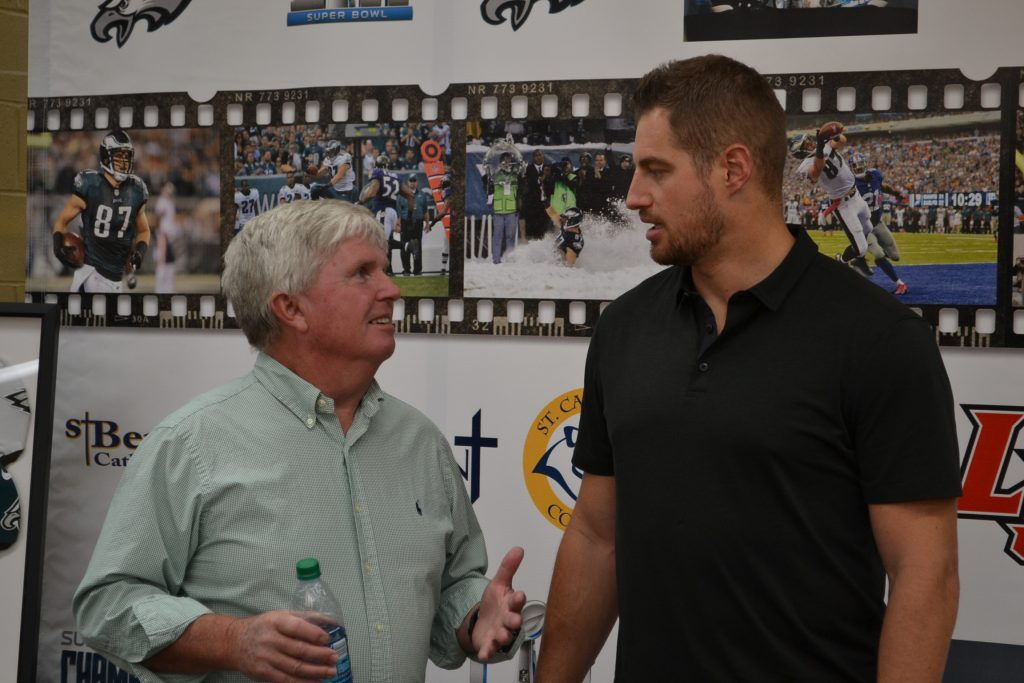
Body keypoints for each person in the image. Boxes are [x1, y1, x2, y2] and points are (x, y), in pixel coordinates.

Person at [536, 55, 961, 682]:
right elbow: (598, 538)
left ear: (733, 168)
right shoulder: (624, 329)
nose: (633, 196)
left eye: (656, 170)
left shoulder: (878, 339)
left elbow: (927, 576)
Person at [74, 200, 527, 682]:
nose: (392, 290)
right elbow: (108, 604)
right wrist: (233, 641)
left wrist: (477, 617)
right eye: (361, 273)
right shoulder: (192, 444)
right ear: (290, 308)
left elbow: (456, 587)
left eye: (385, 271)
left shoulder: (420, 441)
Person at [51, 130, 151, 293]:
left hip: (116, 278)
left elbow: (144, 230)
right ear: (106, 157)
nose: (124, 162)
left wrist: (140, 251)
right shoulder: (90, 185)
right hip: (91, 272)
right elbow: (61, 222)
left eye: (127, 157)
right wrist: (57, 246)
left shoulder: (136, 189)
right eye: (119, 157)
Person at [790, 123, 874, 278]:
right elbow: (816, 172)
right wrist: (821, 147)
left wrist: (833, 134)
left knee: (868, 227)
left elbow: (842, 140)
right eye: (806, 143)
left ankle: (857, 259)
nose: (810, 143)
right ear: (801, 151)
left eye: (809, 140)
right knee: (861, 249)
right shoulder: (803, 166)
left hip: (856, 196)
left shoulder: (826, 145)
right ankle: (841, 260)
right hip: (843, 204)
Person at [850, 152, 908, 295]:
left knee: (895, 256)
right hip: (863, 226)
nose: (858, 169)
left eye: (860, 165)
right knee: (878, 254)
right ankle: (899, 283)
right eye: (855, 167)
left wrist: (897, 194)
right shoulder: (850, 183)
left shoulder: (875, 174)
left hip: (878, 222)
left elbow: (883, 186)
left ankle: (863, 259)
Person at [360, 154, 415, 275]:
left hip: (383, 211)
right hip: (393, 212)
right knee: (386, 245)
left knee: (381, 243)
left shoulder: (378, 174)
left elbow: (372, 193)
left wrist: (361, 201)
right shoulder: (396, 176)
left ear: (377, 166)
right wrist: (410, 216)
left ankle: (406, 245)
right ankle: (386, 272)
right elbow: (411, 195)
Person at [485, 152, 521, 264]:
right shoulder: (495, 174)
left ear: (511, 161)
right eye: (504, 160)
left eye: (509, 160)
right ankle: (496, 259)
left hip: (511, 210)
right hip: (498, 210)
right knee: (497, 236)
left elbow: (520, 187)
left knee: (510, 236)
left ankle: (510, 259)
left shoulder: (515, 175)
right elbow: (489, 185)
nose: (506, 162)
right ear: (501, 162)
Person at [396, 175, 432, 275]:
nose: (412, 183)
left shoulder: (422, 195)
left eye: (414, 180)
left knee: (418, 246)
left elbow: (425, 210)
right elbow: (398, 212)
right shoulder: (401, 196)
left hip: (418, 223)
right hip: (405, 223)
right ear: (408, 182)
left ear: (417, 182)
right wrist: (398, 224)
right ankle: (406, 269)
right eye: (411, 181)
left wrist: (427, 223)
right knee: (405, 246)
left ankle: (417, 270)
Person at [152, 182, 180, 294]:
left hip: (169, 236)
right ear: (163, 189)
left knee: (170, 261)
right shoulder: (162, 202)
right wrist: (160, 233)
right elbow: (157, 218)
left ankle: (168, 288)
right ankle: (159, 289)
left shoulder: (169, 202)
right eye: (168, 188)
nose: (170, 190)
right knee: (162, 262)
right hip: (163, 235)